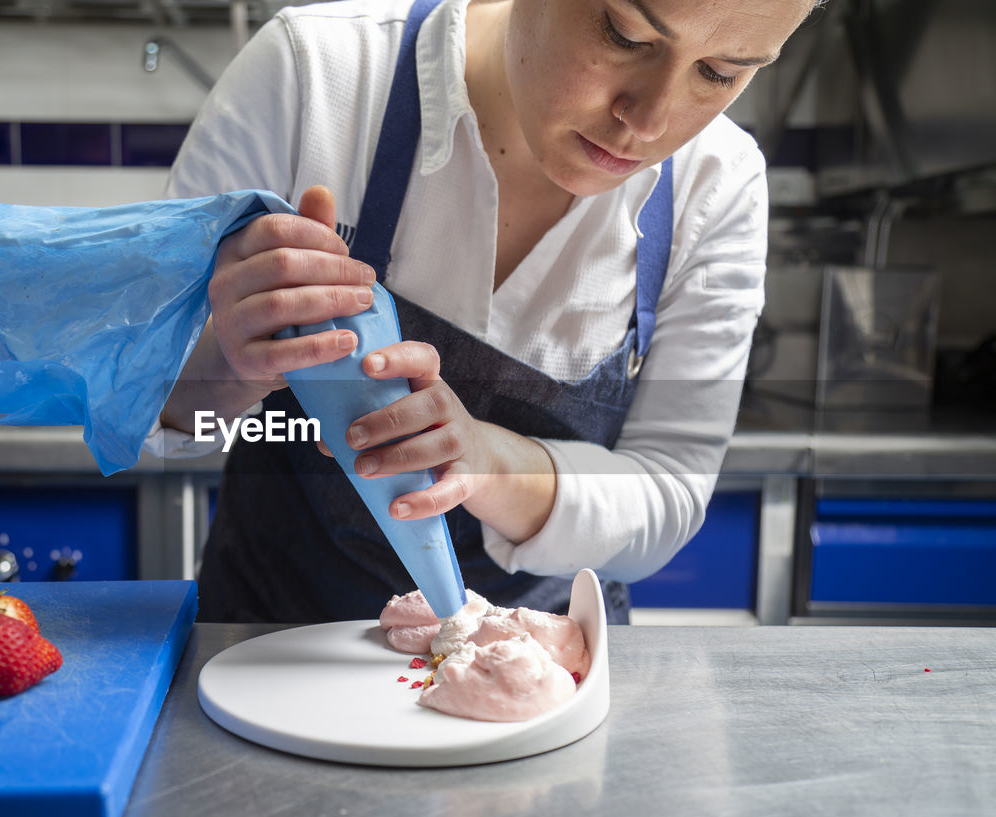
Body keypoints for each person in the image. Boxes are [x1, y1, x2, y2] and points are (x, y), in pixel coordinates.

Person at [151, 0, 823, 623]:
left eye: (719, 72)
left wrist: (483, 460)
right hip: (269, 658)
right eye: (624, 35)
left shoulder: (719, 186)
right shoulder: (316, 76)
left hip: (538, 678)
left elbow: (668, 492)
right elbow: (149, 416)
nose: (648, 121)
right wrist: (228, 365)